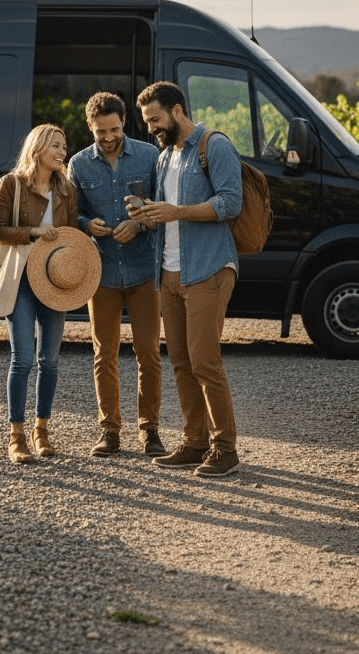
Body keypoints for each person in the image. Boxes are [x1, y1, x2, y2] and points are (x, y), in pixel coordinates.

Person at [127, 81, 244, 478]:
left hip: (208, 268)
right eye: (146, 122)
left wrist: (176, 212)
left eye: (155, 119)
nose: (151, 128)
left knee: (204, 360)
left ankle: (225, 448)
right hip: (170, 272)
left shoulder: (215, 146)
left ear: (177, 111)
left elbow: (230, 203)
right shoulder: (164, 158)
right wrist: (146, 213)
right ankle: (195, 443)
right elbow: (167, 214)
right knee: (179, 360)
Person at [66, 92, 166, 458]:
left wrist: (139, 225)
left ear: (125, 122)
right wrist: (86, 224)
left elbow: (162, 210)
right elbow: (69, 214)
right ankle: (109, 431)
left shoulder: (150, 156)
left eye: (114, 129)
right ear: (89, 127)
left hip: (143, 270)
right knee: (103, 354)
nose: (108, 137)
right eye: (100, 131)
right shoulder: (78, 164)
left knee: (148, 354)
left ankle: (149, 430)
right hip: (101, 272)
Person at [0, 123, 79, 463]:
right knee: (23, 358)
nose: (62, 151)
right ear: (39, 147)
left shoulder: (67, 189)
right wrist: (33, 232)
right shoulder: (11, 184)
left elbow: (71, 235)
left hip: (56, 281)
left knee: (51, 361)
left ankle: (42, 430)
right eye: (56, 145)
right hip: (21, 280)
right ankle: (16, 436)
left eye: (64, 145)